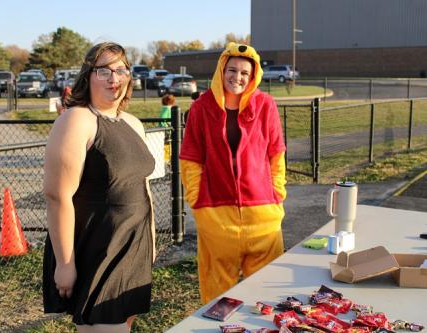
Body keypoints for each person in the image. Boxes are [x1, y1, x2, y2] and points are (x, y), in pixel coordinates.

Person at [42, 42, 156, 332]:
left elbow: (142, 185)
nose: (114, 79)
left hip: (133, 245)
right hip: (99, 248)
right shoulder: (78, 119)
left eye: (120, 70)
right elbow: (58, 196)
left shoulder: (132, 123)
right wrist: (65, 264)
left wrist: (151, 241)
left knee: (125, 324)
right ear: (87, 75)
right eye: (104, 71)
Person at [179, 42, 287, 304]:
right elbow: (191, 158)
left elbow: (276, 153)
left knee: (267, 295)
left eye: (244, 73)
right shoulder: (201, 107)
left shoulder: (265, 105)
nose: (236, 77)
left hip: (262, 214)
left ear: (253, 76)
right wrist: (198, 200)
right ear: (221, 69)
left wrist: (276, 193)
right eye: (232, 70)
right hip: (217, 215)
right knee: (217, 297)